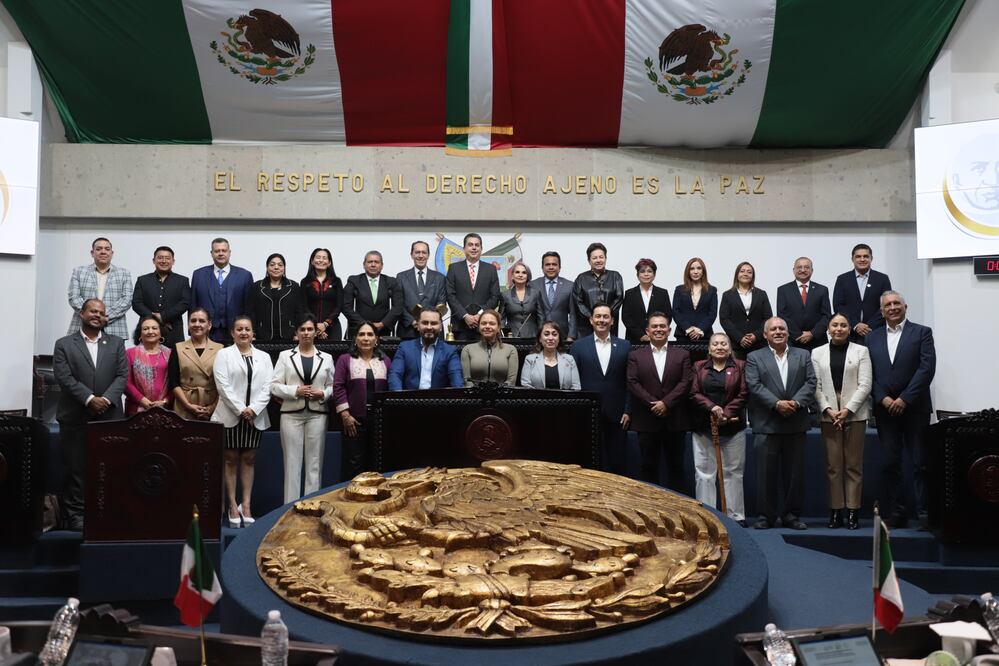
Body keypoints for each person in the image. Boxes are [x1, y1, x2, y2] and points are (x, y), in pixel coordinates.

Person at [53, 298, 128, 531]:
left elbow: (122, 376)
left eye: (101, 312)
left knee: (109, 467)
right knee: (76, 468)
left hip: (109, 416)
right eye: (92, 311)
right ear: (82, 314)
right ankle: (76, 515)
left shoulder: (116, 343)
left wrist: (104, 400)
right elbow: (64, 378)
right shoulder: (64, 344)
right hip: (76, 416)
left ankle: (106, 510)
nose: (97, 315)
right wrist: (89, 399)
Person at [866, 291, 936, 530]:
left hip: (915, 408)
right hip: (885, 411)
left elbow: (926, 369)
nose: (893, 307)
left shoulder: (922, 333)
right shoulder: (872, 338)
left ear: (905, 306)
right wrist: (883, 398)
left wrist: (904, 399)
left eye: (897, 303)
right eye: (888, 305)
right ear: (882, 310)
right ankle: (898, 513)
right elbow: (868, 375)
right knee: (890, 463)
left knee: (920, 463)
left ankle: (925, 514)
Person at [746, 317, 816, 530]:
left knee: (794, 474)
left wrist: (794, 403)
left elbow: (811, 382)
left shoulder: (803, 355)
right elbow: (754, 385)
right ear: (765, 334)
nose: (778, 331)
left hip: (795, 422)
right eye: (773, 329)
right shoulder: (754, 357)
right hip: (767, 423)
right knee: (765, 474)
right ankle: (765, 516)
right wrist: (777, 404)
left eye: (782, 328)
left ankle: (791, 516)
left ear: (788, 333)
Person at [212, 316, 274, 528]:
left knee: (248, 458)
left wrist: (253, 409)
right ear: (232, 332)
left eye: (247, 329)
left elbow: (268, 386)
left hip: (255, 416)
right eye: (239, 329)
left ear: (252, 332)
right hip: (230, 414)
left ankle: (245, 505)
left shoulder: (264, 357)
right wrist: (241, 409)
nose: (244, 333)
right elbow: (222, 385)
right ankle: (231, 505)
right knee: (229, 458)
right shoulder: (223, 354)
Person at [811, 314, 872, 530]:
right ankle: (836, 511)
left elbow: (865, 384)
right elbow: (815, 385)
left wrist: (847, 410)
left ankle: (853, 511)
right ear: (828, 328)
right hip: (828, 414)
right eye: (835, 325)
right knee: (833, 466)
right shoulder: (817, 352)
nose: (839, 328)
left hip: (854, 414)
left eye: (843, 325)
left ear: (849, 329)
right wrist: (828, 409)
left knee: (853, 466)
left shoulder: (861, 351)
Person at [270, 314, 335, 503]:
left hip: (317, 414)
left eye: (310, 329)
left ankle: (311, 507)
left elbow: (333, 386)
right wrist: (294, 390)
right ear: (296, 333)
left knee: (314, 464)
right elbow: (273, 386)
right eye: (302, 330)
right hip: (291, 414)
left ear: (316, 332)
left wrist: (322, 394)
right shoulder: (285, 356)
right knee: (292, 464)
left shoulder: (327, 358)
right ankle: (289, 509)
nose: (306, 333)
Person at [626, 312, 692, 491]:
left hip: (675, 420)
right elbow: (632, 382)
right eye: (654, 326)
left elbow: (686, 381)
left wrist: (666, 403)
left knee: (676, 468)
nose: (658, 330)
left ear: (669, 330)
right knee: (648, 467)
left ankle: (679, 510)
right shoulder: (635, 355)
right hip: (647, 420)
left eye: (662, 326)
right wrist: (653, 404)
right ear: (647, 331)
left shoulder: (682, 354)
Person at [690, 333, 749, 526]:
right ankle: (707, 517)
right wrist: (712, 407)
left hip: (733, 428)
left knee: (733, 472)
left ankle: (735, 517)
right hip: (704, 428)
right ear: (709, 348)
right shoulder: (699, 367)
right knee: (704, 474)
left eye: (724, 343)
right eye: (715, 344)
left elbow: (743, 393)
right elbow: (694, 393)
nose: (720, 347)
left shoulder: (740, 366)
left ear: (730, 348)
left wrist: (725, 412)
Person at [569, 304, 631, 475]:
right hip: (587, 413)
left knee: (617, 463)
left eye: (605, 317)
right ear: (591, 320)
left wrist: (628, 409)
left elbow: (629, 382)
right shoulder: (578, 347)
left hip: (618, 414)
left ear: (612, 321)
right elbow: (574, 381)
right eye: (598, 316)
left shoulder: (625, 346)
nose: (601, 320)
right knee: (589, 464)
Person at [333, 322, 392, 481]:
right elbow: (338, 387)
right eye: (361, 334)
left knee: (376, 463)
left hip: (379, 422)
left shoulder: (385, 361)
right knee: (353, 463)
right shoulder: (345, 360)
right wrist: (345, 415)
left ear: (376, 339)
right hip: (353, 421)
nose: (366, 338)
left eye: (370, 335)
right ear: (355, 339)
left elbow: (389, 388)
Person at [67, 237, 133, 340]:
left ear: (112, 253)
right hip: (82, 327)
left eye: (107, 249)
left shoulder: (124, 274)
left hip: (113, 327)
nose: (103, 252)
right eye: (99, 249)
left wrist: (104, 316)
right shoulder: (79, 272)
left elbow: (127, 300)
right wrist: (91, 316)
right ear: (92, 253)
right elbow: (74, 298)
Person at [190, 238, 254, 344]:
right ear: (211, 253)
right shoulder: (199, 275)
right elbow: (193, 303)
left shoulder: (244, 275)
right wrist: (192, 329)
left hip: (235, 332)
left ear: (229, 252)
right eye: (217, 251)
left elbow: (249, 307)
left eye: (224, 251)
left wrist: (250, 331)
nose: (220, 254)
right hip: (206, 331)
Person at [388, 309, 464, 390]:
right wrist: (398, 399)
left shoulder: (449, 351)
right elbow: (395, 375)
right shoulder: (405, 348)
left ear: (441, 327)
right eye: (425, 323)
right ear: (418, 326)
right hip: (410, 400)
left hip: (438, 400)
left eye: (434, 323)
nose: (429, 327)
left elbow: (456, 380)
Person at [131, 245, 190, 348]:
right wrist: (153, 317)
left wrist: (163, 316)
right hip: (147, 330)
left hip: (173, 331)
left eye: (167, 258)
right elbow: (136, 303)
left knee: (174, 362)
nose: (164, 261)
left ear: (173, 261)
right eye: (160, 257)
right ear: (154, 261)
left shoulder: (182, 281)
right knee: (145, 362)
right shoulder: (143, 280)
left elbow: (185, 303)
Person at [169, 307, 222, 421]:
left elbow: (224, 384)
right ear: (188, 325)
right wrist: (188, 406)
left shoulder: (221, 349)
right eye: (193, 321)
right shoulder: (178, 348)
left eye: (202, 321)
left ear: (209, 325)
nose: (197, 324)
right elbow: (173, 382)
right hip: (184, 404)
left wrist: (212, 407)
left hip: (212, 406)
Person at [832, 244, 893, 344]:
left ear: (871, 258)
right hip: (850, 333)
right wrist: (855, 325)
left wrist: (869, 326)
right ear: (852, 259)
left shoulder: (882, 279)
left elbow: (886, 305)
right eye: (858, 256)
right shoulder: (842, 279)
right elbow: (838, 305)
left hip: (875, 331)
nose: (862, 259)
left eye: (866, 256)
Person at [446, 233, 501, 340]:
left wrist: (480, 315)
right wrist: (465, 315)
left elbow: (495, 297)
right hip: (460, 326)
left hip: (484, 326)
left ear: (481, 249)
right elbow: (450, 295)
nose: (474, 248)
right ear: (464, 248)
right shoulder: (453, 268)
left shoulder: (491, 270)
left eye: (477, 245)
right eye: (470, 245)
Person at [342, 251, 402, 340]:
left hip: (383, 332)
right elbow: (345, 306)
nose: (373, 265)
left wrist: (383, 324)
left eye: (376, 262)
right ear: (364, 264)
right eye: (370, 262)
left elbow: (398, 306)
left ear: (382, 265)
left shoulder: (391, 281)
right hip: (359, 330)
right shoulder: (354, 280)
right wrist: (364, 324)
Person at [776, 257, 832, 352]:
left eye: (806, 267)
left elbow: (826, 316)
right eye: (799, 267)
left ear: (812, 270)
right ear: (794, 270)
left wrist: (812, 333)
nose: (803, 270)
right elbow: (782, 315)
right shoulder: (783, 290)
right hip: (793, 341)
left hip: (818, 341)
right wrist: (798, 335)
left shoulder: (822, 290)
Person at [719, 261, 773, 359]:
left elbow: (768, 317)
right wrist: (740, 338)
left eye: (749, 272)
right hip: (736, 345)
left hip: (759, 344)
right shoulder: (727, 295)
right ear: (737, 274)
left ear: (753, 276)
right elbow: (724, 319)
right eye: (742, 271)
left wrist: (756, 336)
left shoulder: (761, 294)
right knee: (737, 373)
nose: (745, 274)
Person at [396, 240, 447, 339]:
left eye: (424, 252)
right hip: (408, 330)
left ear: (428, 255)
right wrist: (412, 321)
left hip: (432, 329)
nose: (420, 255)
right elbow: (398, 304)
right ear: (411, 255)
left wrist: (427, 322)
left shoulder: (439, 277)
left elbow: (441, 303)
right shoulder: (401, 277)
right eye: (417, 252)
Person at [248, 253, 303, 343]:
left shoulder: (294, 286)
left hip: (289, 335)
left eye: (280, 265)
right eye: (272, 265)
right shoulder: (257, 286)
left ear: (284, 268)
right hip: (262, 334)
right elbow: (251, 312)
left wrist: (298, 333)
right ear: (267, 267)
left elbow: (299, 311)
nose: (276, 267)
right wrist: (253, 333)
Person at [573, 243, 624, 338]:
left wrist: (605, 316)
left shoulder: (615, 276)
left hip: (609, 326)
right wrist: (592, 317)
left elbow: (619, 298)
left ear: (605, 258)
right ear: (589, 260)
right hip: (587, 325)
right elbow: (578, 301)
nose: (598, 260)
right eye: (594, 258)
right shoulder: (581, 278)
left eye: (601, 257)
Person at [124, 316, 172, 415]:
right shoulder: (130, 353)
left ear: (161, 332)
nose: (150, 331)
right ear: (140, 334)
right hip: (136, 409)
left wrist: (164, 401)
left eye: (154, 328)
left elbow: (176, 383)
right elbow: (125, 382)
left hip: (166, 410)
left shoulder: (171, 354)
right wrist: (143, 401)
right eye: (146, 329)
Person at [460, 309, 518, 385]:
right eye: (483, 323)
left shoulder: (510, 350)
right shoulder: (467, 349)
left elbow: (511, 381)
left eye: (492, 323)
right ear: (479, 327)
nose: (487, 326)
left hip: (503, 395)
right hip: (474, 395)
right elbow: (467, 380)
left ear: (498, 328)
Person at [622, 258, 672, 345]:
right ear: (637, 275)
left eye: (649, 271)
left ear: (654, 274)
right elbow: (626, 317)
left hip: (658, 338)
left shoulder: (662, 293)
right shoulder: (629, 293)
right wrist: (641, 335)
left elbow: (668, 315)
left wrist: (654, 333)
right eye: (642, 271)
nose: (646, 274)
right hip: (634, 339)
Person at [521, 321, 581, 390]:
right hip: (537, 400)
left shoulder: (569, 359)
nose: (551, 338)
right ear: (540, 339)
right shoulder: (530, 359)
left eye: (554, 334)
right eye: (546, 334)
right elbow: (526, 386)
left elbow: (576, 387)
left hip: (565, 400)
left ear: (559, 339)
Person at [530, 251, 576, 340]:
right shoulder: (533, 285)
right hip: (538, 335)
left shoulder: (570, 285)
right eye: (547, 264)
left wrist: (571, 336)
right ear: (542, 268)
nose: (551, 267)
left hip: (563, 335)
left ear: (559, 267)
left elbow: (573, 314)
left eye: (554, 264)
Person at [300, 248, 344, 341]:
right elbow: (304, 306)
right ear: (312, 261)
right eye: (318, 257)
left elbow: (339, 306)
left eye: (324, 258)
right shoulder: (305, 282)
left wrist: (325, 324)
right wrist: (315, 326)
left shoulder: (336, 281)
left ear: (329, 263)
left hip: (333, 328)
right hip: (310, 329)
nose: (321, 260)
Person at [672, 257, 717, 342]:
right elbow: (675, 311)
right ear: (688, 272)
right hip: (683, 334)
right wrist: (689, 329)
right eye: (692, 269)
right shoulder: (679, 289)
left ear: (703, 271)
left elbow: (712, 313)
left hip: (705, 335)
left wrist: (699, 330)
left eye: (699, 268)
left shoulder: (712, 290)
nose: (695, 272)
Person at [500, 261, 545, 338]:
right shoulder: (505, 295)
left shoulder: (536, 294)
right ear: (512, 276)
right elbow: (501, 319)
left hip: (533, 336)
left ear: (528, 276)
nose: (520, 275)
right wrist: (502, 336)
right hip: (511, 337)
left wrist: (541, 336)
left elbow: (541, 318)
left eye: (524, 273)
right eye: (517, 272)